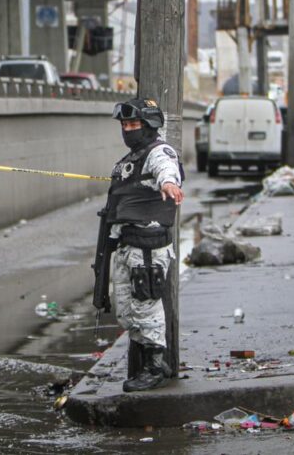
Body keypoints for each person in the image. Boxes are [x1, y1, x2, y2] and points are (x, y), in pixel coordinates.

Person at [101, 97, 184, 392]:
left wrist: (168, 183)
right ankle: (148, 360)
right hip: (128, 244)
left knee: (146, 306)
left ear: (150, 125)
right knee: (125, 310)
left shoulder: (159, 151)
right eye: (124, 125)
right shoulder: (130, 159)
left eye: (133, 124)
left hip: (147, 248)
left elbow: (166, 168)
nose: (127, 129)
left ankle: (155, 365)